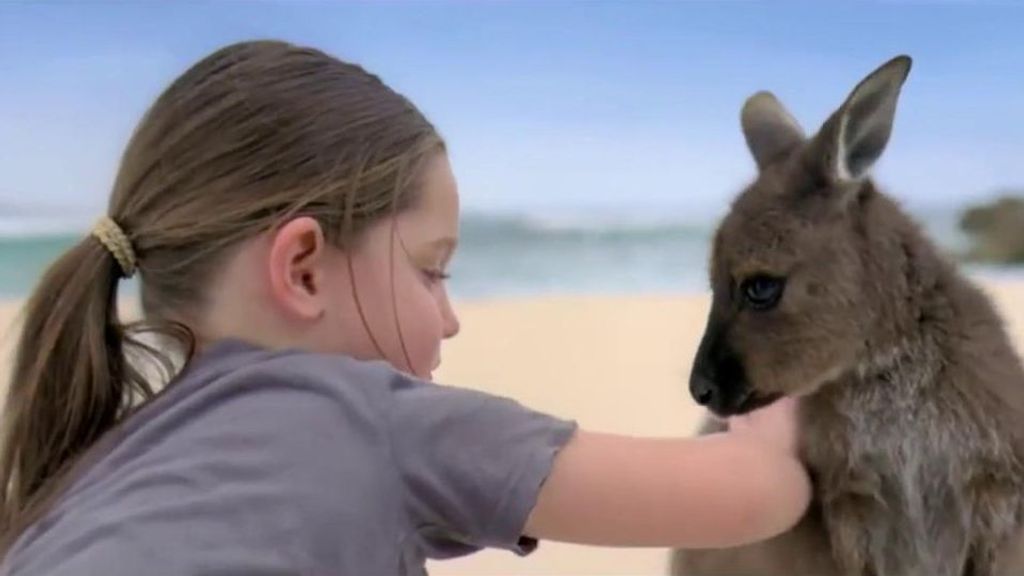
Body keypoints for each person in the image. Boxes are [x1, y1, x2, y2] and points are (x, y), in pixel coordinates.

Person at [0, 40, 810, 575]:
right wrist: (792, 346)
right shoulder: (367, 416)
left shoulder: (85, 478)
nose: (450, 317)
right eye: (433, 272)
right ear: (305, 270)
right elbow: (755, 489)